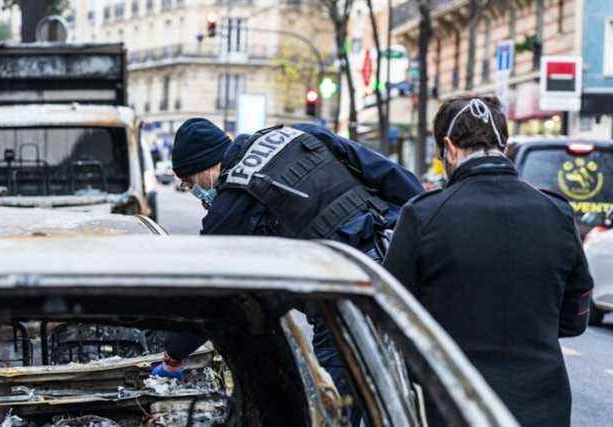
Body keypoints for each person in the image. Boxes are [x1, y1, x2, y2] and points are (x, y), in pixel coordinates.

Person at [151, 118, 424, 422]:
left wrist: (174, 353)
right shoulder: (298, 134)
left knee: (333, 410)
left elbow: (205, 292)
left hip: (342, 296)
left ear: (206, 167)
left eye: (191, 182)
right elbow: (389, 175)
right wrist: (422, 232)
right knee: (415, 385)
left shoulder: (230, 206)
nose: (195, 191)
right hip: (395, 266)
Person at [382, 96, 593, 427]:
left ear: (449, 149)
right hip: (543, 407)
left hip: (451, 406)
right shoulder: (557, 212)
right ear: (504, 145)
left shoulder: (422, 216)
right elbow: (576, 317)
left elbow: (389, 318)